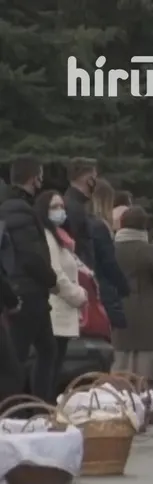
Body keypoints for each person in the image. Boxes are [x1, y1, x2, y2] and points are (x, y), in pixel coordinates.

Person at [0, 157, 59, 401]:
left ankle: (36, 405)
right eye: (40, 176)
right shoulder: (21, 211)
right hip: (28, 293)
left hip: (23, 290)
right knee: (21, 356)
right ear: (34, 178)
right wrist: (51, 279)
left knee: (46, 349)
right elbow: (31, 256)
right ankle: (24, 407)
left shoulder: (10, 208)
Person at [111, 206, 153, 386]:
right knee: (147, 367)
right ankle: (144, 396)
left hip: (119, 309)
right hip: (148, 311)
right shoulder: (148, 250)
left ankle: (121, 395)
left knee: (121, 362)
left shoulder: (112, 248)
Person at [34, 191, 87, 387]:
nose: (60, 211)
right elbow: (56, 273)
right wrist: (77, 295)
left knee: (54, 367)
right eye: (54, 207)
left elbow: (74, 266)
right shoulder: (48, 237)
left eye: (62, 206)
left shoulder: (61, 238)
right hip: (56, 310)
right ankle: (42, 403)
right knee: (49, 366)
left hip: (63, 310)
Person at [87, 178, 130, 329]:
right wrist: (123, 286)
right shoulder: (100, 227)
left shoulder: (79, 221)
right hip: (104, 293)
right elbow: (109, 263)